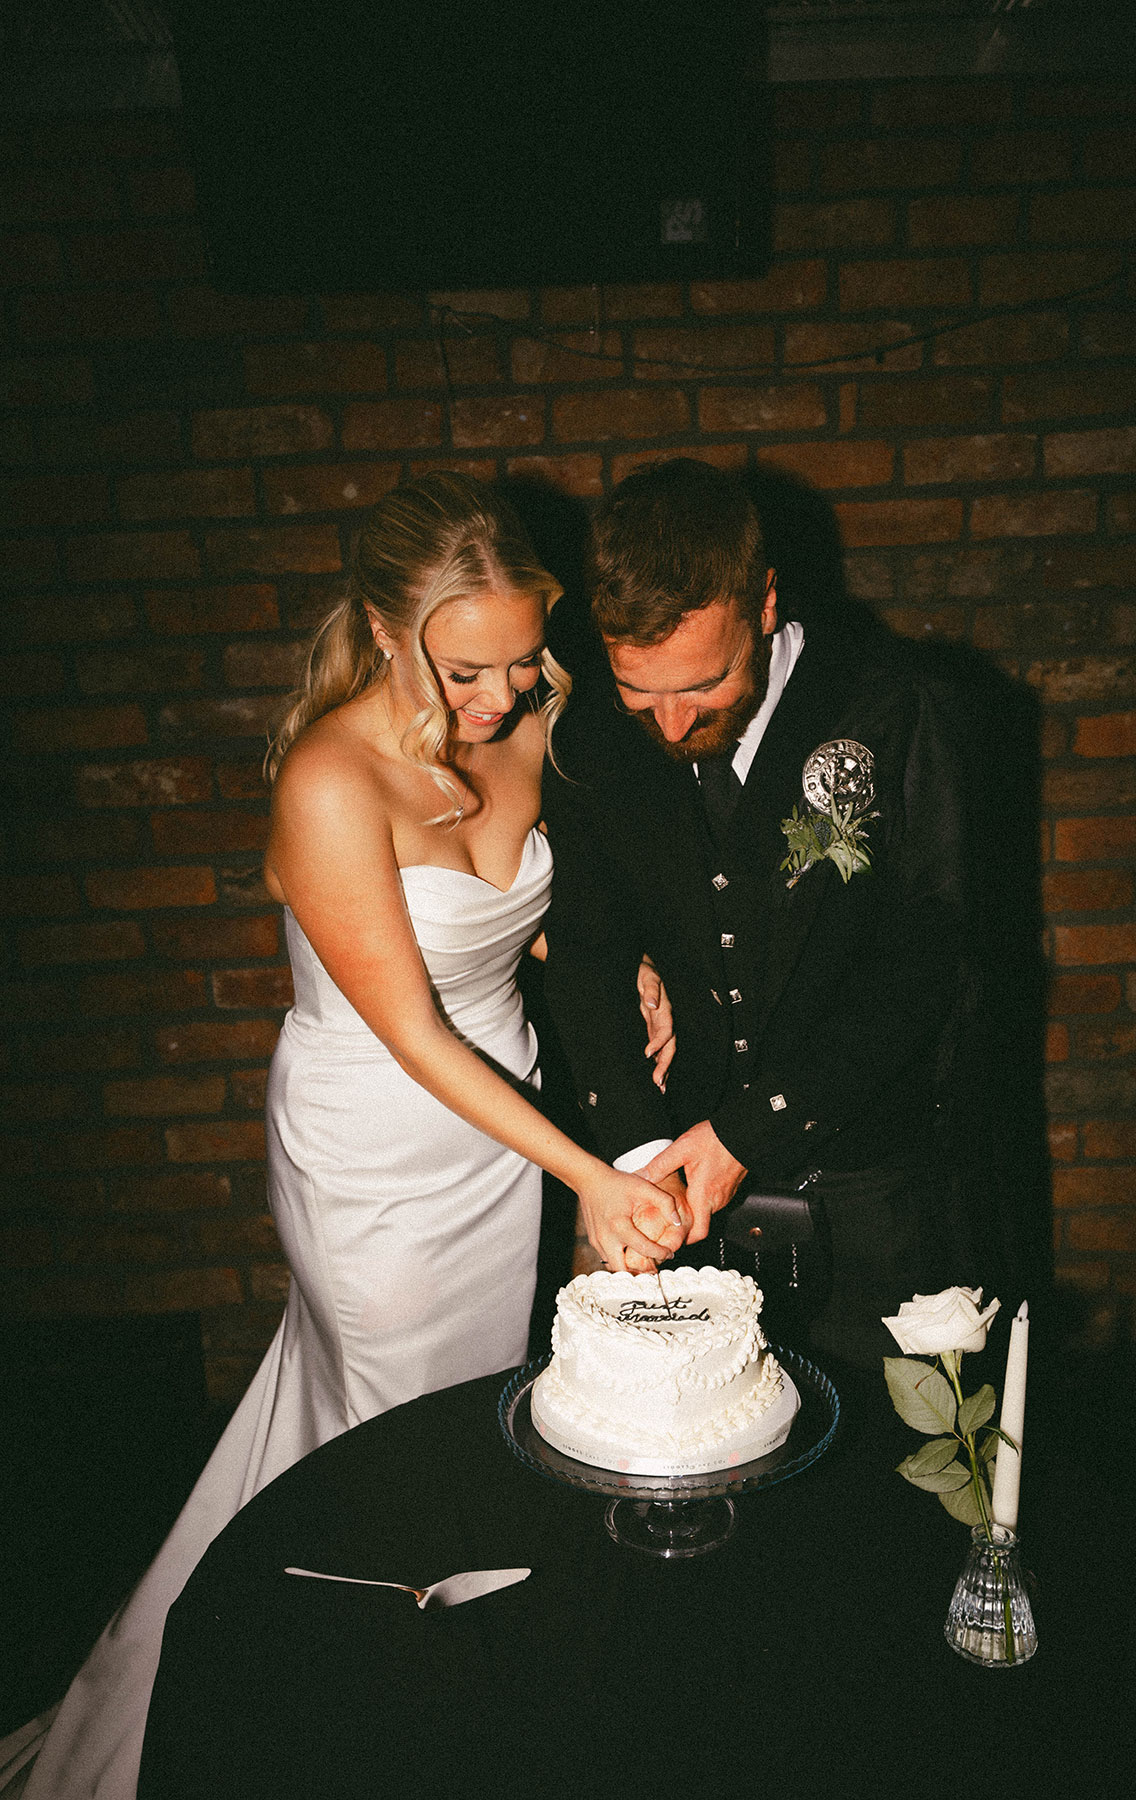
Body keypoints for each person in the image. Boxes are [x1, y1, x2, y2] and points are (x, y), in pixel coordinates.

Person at [2, 473, 682, 1800]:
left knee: (459, 1427)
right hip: (377, 1153)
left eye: (524, 656)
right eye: (467, 665)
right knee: (392, 1447)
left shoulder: (532, 716)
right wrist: (591, 1172)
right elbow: (414, 1032)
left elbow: (512, 909)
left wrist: (618, 961)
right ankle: (344, 1723)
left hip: (503, 1145)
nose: (502, 696)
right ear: (385, 629)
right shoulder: (329, 776)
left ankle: (351, 1681)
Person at [541, 457, 983, 1369]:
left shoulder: (897, 706)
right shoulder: (585, 732)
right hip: (686, 1202)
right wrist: (638, 1146)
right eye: (640, 693)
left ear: (766, 603)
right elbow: (586, 948)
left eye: (701, 687)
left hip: (877, 1186)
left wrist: (754, 1129)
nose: (667, 724)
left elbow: (929, 959)